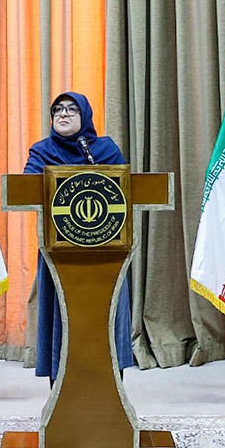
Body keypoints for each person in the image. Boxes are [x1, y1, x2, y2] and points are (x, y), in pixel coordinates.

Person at [24, 91, 134, 381]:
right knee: (62, 317)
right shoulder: (42, 151)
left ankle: (112, 387)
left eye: (72, 109)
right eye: (58, 109)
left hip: (106, 248)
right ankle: (60, 389)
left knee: (106, 317)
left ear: (85, 115)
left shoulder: (105, 149)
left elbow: (127, 189)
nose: (63, 114)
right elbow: (25, 189)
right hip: (59, 250)